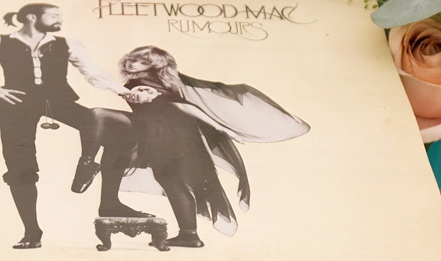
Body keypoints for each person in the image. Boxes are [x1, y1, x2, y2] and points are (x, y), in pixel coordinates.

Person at [0, 3, 148, 249]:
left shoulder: (68, 44)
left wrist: (122, 92)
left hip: (59, 101)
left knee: (118, 130)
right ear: (33, 17)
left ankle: (94, 175)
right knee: (20, 166)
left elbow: (93, 73)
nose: (60, 20)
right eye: (55, 15)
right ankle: (32, 232)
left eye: (61, 15)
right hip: (16, 105)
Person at [87, 46, 310, 247]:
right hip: (172, 136)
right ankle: (189, 235)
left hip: (165, 136)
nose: (132, 63)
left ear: (155, 66)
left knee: (157, 173)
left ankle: (88, 167)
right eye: (131, 58)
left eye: (141, 61)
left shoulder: (144, 84)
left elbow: (185, 107)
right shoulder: (154, 82)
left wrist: (221, 127)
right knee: (172, 182)